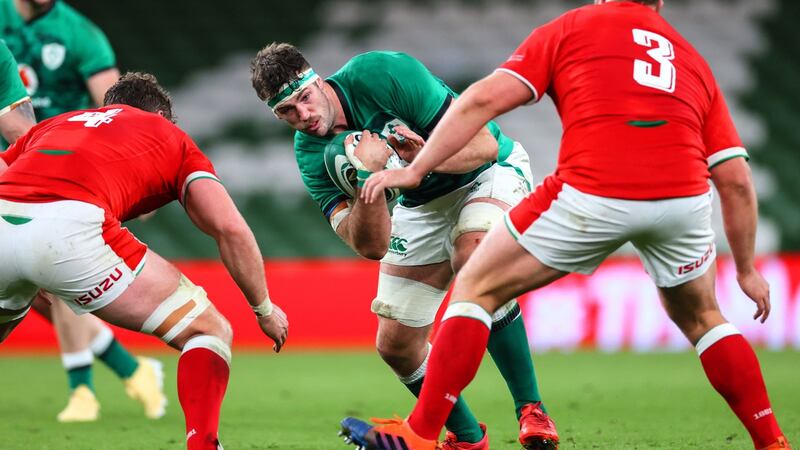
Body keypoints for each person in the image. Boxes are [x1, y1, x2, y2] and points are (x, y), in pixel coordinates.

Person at [344, 1, 791, 449]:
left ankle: (421, 435)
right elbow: (734, 180)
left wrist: (415, 169)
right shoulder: (690, 59)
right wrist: (748, 269)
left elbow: (481, 100)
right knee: (705, 318)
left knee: (476, 284)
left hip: (595, 188)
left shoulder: (572, 27)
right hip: (683, 198)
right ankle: (772, 441)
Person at [250, 44, 558, 450]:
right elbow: (371, 245)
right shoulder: (309, 155)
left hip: (488, 174)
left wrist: (418, 166)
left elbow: (482, 145)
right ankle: (466, 439)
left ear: (318, 79)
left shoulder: (383, 73)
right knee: (396, 344)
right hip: (419, 204)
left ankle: (531, 410)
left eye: (304, 98)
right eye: (285, 112)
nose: (302, 116)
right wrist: (368, 177)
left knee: (473, 258)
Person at [0, 72, 290, 450]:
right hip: (72, 229)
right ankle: (203, 445)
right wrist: (263, 308)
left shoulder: (58, 123)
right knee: (208, 330)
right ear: (162, 115)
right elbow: (229, 229)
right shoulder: (168, 135)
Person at [0, 0, 164, 423]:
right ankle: (134, 370)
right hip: (12, 172)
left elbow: (121, 113)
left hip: (69, 177)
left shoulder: (82, 35)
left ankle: (82, 391)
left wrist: (142, 170)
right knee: (30, 293)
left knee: (52, 281)